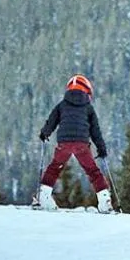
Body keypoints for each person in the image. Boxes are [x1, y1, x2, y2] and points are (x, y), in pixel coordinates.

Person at [36, 74, 112, 213]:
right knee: (92, 171)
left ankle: (44, 197)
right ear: (87, 90)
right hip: (81, 144)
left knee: (54, 168)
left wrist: (44, 133)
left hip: (63, 143)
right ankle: (105, 201)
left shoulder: (61, 105)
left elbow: (51, 121)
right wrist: (101, 149)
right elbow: (96, 131)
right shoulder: (88, 108)